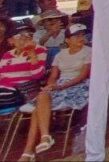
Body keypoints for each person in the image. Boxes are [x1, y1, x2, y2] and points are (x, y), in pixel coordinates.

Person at [20, 23, 91, 157]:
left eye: (82, 35)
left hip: (77, 86)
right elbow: (53, 76)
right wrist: (50, 85)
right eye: (76, 36)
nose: (80, 38)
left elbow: (82, 76)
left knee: (38, 109)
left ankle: (28, 152)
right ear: (67, 40)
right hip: (60, 85)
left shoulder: (89, 51)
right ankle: (45, 137)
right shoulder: (60, 54)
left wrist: (60, 87)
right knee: (42, 97)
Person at [0, 24, 46, 109]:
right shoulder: (7, 55)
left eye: (29, 34)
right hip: (6, 89)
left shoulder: (39, 50)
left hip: (25, 89)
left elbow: (38, 75)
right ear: (11, 40)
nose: (25, 38)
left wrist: (32, 53)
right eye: (20, 35)